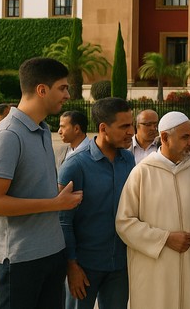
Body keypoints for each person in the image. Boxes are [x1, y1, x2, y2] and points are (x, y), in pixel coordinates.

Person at [0, 57, 83, 309]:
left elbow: (27, 187)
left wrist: (55, 193)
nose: (67, 94)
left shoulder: (41, 130)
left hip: (50, 253)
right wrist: (55, 203)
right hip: (19, 260)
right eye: (62, 88)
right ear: (42, 90)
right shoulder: (8, 135)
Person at [116, 111, 190, 309]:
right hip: (153, 272)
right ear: (165, 138)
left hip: (189, 269)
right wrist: (165, 238)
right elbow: (124, 223)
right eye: (186, 137)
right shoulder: (142, 172)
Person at [58, 97, 136, 309]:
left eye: (132, 124)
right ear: (103, 128)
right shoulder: (75, 166)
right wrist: (71, 266)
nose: (131, 131)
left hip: (119, 265)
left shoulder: (129, 160)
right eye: (124, 126)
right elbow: (63, 221)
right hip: (83, 266)